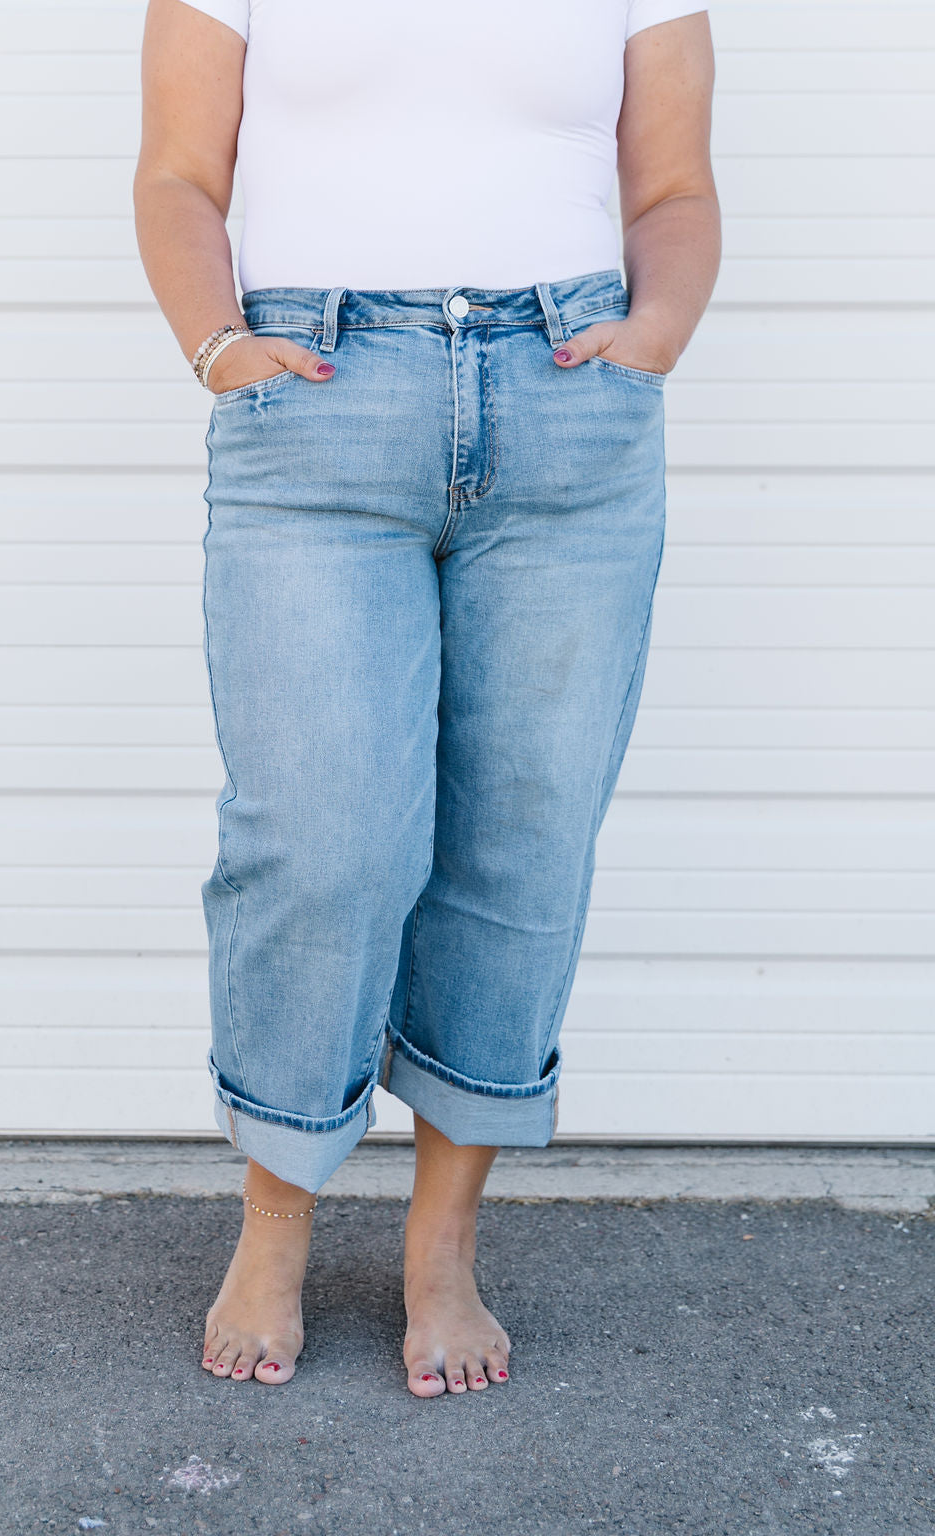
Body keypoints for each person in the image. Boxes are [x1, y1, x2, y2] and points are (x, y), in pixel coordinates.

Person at [133, 0, 720, 1398]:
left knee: (522, 841)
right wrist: (218, 348)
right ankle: (276, 1223)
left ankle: (443, 1244)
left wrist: (654, 336)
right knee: (322, 839)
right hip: (317, 401)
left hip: (566, 408)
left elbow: (675, 190)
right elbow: (178, 175)